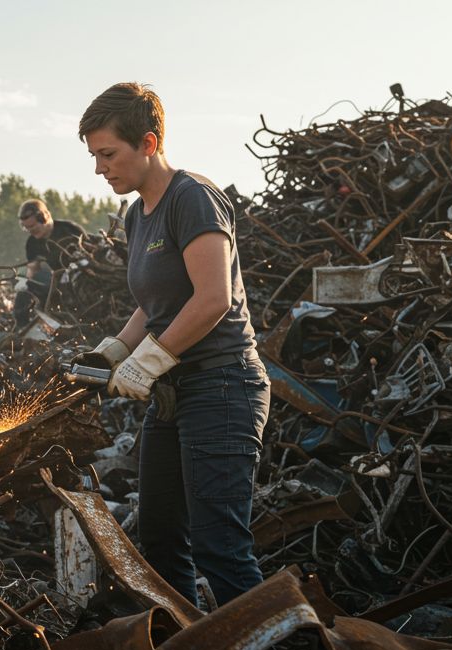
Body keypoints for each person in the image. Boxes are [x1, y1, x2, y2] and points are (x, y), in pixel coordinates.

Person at [76, 83, 271, 612]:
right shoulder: (138, 214)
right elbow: (158, 302)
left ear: (149, 141)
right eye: (94, 156)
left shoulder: (193, 198)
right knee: (162, 540)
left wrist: (150, 360)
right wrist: (115, 351)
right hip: (172, 393)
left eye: (108, 154)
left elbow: (213, 300)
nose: (100, 169)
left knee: (220, 547)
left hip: (223, 385)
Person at [15, 199, 86, 317]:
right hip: (58, 282)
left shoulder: (69, 229)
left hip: (82, 279)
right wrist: (24, 282)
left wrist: (76, 268)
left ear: (44, 217)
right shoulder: (32, 243)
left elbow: (91, 253)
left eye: (32, 226)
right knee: (25, 291)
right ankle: (21, 327)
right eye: (27, 228)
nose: (31, 231)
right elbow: (33, 268)